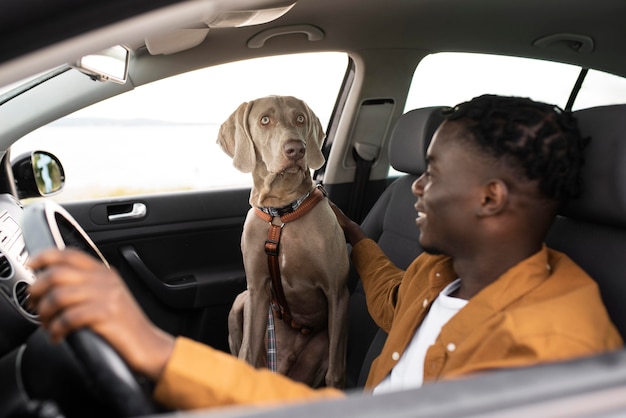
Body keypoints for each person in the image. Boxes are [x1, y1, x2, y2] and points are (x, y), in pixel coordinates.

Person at [27, 95, 623, 410]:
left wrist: (160, 352)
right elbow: (390, 296)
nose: (413, 184)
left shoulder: (554, 346)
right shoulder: (440, 276)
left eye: (432, 173)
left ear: (490, 197)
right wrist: (356, 238)